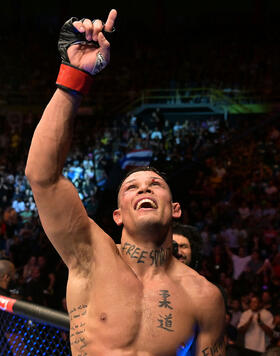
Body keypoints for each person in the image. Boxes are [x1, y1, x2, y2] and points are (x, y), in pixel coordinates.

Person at [25, 10, 226, 356]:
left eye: (155, 185)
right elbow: (42, 178)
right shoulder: (89, 255)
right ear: (117, 215)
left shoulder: (204, 296)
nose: (144, 188)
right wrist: (73, 76)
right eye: (132, 187)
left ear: (175, 209)